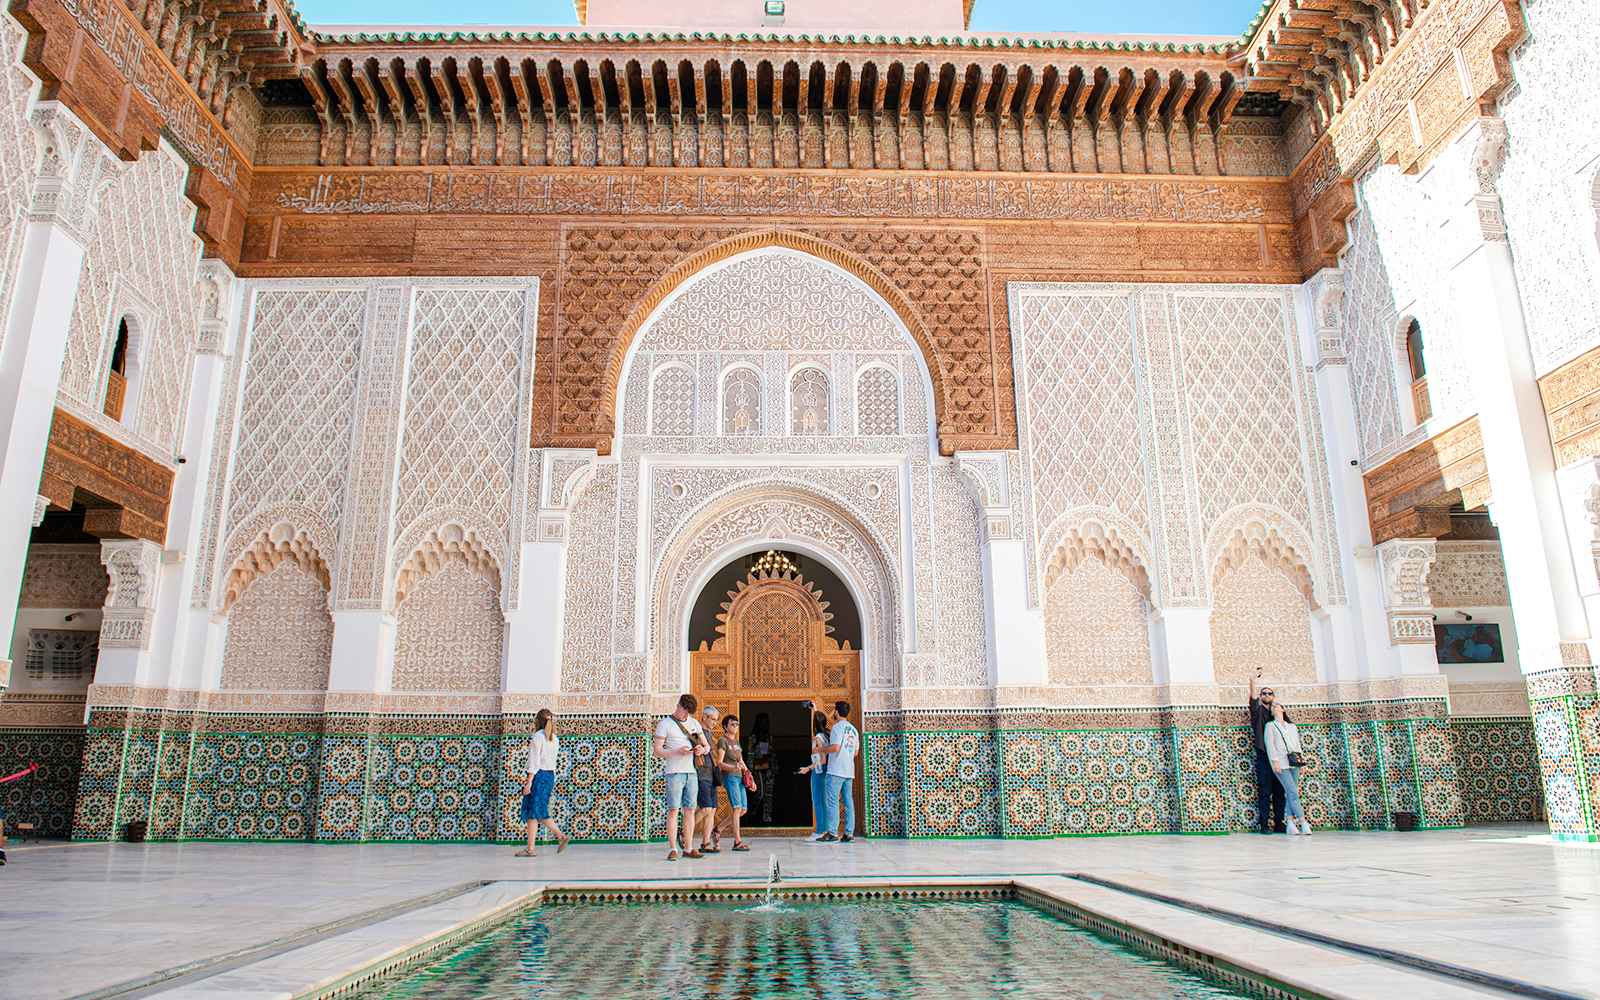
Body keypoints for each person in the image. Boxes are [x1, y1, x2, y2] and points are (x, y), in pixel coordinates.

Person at [653, 693, 708, 861]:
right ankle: (673, 849)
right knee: (673, 810)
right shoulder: (665, 725)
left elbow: (707, 746)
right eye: (685, 712)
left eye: (689, 713)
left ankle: (689, 847)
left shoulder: (694, 723)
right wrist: (677, 751)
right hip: (674, 773)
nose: (686, 716)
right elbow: (657, 751)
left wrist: (700, 750)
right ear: (678, 706)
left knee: (690, 810)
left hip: (691, 772)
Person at [516, 708, 570, 856]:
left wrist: (529, 783)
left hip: (538, 776)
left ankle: (560, 835)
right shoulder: (554, 739)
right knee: (531, 813)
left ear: (537, 721)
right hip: (549, 776)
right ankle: (530, 848)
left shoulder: (537, 738)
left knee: (538, 811)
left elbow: (534, 762)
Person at [1265, 701, 1312, 835]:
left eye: (1277, 704)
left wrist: (1301, 762)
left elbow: (1297, 745)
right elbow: (1270, 745)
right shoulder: (1270, 726)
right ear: (1272, 712)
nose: (1274, 705)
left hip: (1294, 763)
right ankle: (1303, 822)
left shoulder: (1291, 727)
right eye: (1273, 706)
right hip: (1281, 763)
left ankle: (1290, 823)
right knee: (1293, 792)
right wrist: (1274, 762)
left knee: (1291, 793)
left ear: (1282, 709)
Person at [815, 700, 859, 844]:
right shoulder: (853, 729)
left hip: (836, 771)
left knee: (832, 801)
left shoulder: (837, 728)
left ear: (836, 712)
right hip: (848, 771)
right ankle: (849, 833)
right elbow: (856, 752)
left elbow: (835, 747)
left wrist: (820, 750)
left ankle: (833, 832)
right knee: (848, 802)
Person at [1249, 668, 1287, 834]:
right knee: (1265, 790)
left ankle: (1279, 822)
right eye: (1263, 693)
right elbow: (1253, 701)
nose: (1266, 695)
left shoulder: (1277, 715)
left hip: (1280, 757)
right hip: (1265, 756)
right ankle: (1264, 824)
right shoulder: (1259, 713)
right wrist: (1252, 681)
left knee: (1280, 791)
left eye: (1269, 694)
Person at [714, 714, 752, 851]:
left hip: (740, 777)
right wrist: (732, 767)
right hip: (730, 777)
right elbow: (719, 762)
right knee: (736, 808)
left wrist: (749, 776)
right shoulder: (722, 741)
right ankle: (737, 841)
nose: (735, 727)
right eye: (732, 724)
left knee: (743, 809)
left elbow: (740, 760)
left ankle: (719, 828)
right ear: (725, 727)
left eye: (736, 724)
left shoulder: (736, 742)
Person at [799, 708, 830, 842]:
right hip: (826, 772)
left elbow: (822, 759)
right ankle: (826, 830)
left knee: (817, 802)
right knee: (824, 802)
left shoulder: (818, 738)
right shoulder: (827, 735)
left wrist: (808, 768)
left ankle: (818, 832)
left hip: (818, 772)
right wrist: (815, 707)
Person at [695, 704, 721, 852]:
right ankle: (684, 831)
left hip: (710, 775)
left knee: (711, 810)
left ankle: (705, 843)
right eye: (713, 719)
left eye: (716, 720)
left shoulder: (709, 733)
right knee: (705, 808)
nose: (714, 723)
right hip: (701, 775)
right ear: (704, 717)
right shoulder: (696, 734)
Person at [747, 713, 776, 824]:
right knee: (759, 793)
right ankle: (751, 815)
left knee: (769, 794)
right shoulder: (753, 737)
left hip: (769, 770)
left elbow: (773, 755)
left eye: (767, 721)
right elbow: (750, 755)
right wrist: (750, 773)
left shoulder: (769, 738)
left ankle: (767, 819)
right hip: (757, 770)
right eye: (764, 721)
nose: (766, 723)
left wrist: (775, 770)